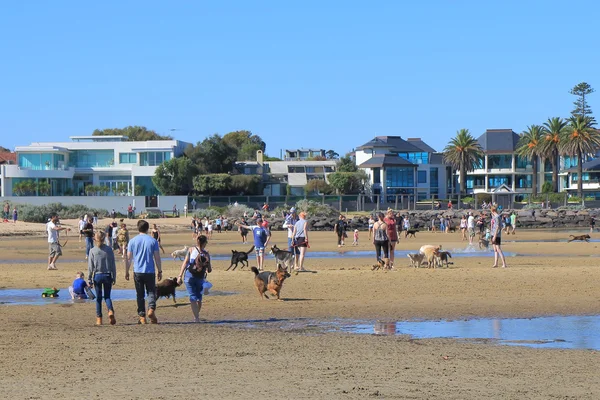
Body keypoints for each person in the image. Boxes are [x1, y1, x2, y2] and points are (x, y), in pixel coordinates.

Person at [125, 220, 163, 324]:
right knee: (151, 292)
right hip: (149, 271)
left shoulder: (132, 241)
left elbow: (128, 258)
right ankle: (151, 309)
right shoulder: (152, 241)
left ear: (138, 228)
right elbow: (157, 257)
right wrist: (160, 270)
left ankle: (142, 316)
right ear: (147, 228)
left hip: (137, 271)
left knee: (140, 294)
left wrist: (126, 271)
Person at [177, 235, 212, 322]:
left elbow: (185, 263)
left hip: (189, 275)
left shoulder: (191, 250)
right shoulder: (206, 254)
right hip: (200, 277)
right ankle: (196, 317)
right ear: (205, 243)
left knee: (192, 296)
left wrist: (180, 276)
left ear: (197, 242)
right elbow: (210, 270)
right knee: (199, 297)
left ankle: (196, 317)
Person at [88, 231, 117, 325]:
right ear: (104, 238)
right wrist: (114, 276)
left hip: (97, 275)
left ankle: (99, 318)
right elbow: (113, 264)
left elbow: (90, 267)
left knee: (98, 298)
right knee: (107, 296)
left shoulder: (92, 250)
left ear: (95, 239)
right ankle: (110, 311)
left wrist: (89, 279)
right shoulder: (109, 250)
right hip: (108, 275)